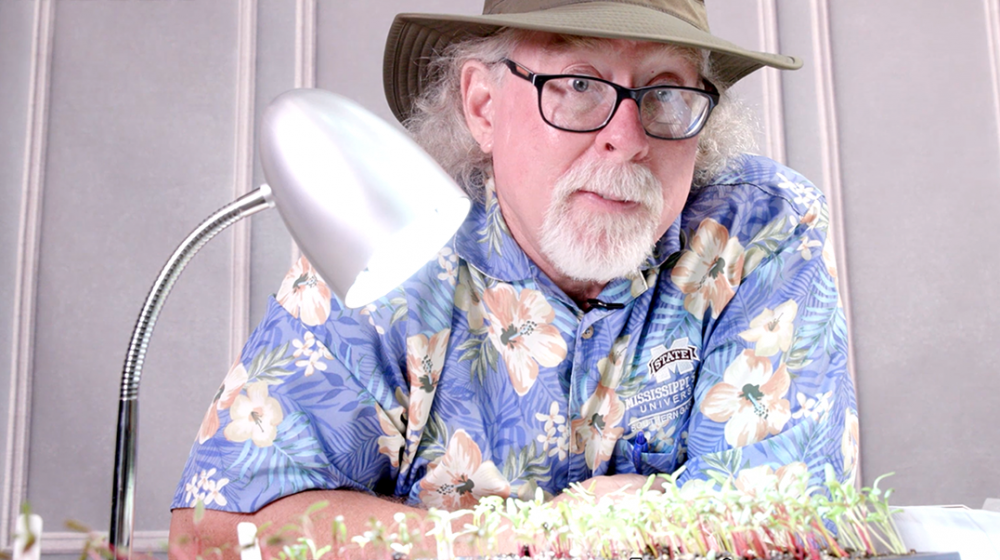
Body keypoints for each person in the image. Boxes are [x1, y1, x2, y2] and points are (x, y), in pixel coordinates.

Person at [170, 0, 859, 556]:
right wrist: (519, 538)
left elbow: (785, 524)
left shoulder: (761, 226)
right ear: (483, 105)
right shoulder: (393, 237)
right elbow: (217, 532)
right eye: (579, 85)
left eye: (665, 92)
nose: (628, 135)